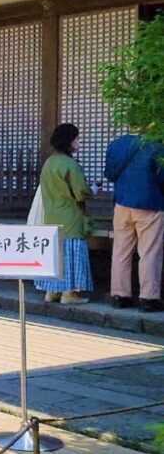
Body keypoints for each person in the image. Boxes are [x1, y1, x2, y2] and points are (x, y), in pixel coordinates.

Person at [34, 123, 94, 304]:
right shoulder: (70, 164)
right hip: (70, 217)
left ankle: (51, 292)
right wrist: (93, 190)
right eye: (76, 138)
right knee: (71, 255)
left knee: (55, 256)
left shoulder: (49, 162)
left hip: (51, 216)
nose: (78, 142)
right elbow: (81, 192)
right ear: (68, 141)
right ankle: (69, 293)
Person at [105, 132, 164, 312]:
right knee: (149, 252)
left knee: (121, 250)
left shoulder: (118, 144)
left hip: (122, 203)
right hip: (149, 203)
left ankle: (119, 295)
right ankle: (148, 297)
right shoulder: (156, 146)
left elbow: (109, 173)